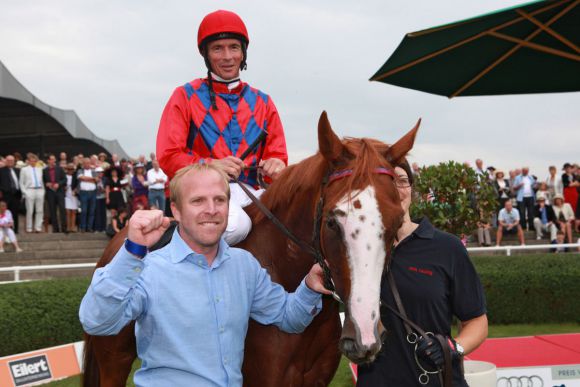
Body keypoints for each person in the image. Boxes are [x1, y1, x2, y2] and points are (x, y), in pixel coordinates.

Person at [79, 163, 330, 385]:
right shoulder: (150, 268)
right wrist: (132, 251)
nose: (211, 209)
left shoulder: (245, 266)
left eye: (219, 200)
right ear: (176, 211)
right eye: (198, 201)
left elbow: (289, 317)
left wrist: (309, 286)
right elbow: (98, 321)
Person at [156, 9, 288, 246]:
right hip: (202, 191)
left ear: (243, 52)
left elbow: (277, 155)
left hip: (252, 193)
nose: (227, 56)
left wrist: (277, 165)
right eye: (218, 48)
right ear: (206, 54)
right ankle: (176, 261)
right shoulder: (184, 96)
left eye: (234, 47)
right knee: (237, 224)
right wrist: (209, 166)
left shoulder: (264, 102)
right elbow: (169, 156)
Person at [357, 162, 487, 387]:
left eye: (402, 180)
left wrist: (452, 347)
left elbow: (477, 321)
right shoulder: (358, 250)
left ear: (412, 189)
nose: (395, 188)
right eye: (385, 181)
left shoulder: (447, 248)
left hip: (436, 379)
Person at [19, 153, 45, 233]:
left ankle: (38, 227)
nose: (33, 162)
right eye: (31, 161)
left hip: (40, 190)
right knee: (30, 210)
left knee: (40, 210)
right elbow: (21, 182)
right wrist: (24, 192)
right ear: (29, 161)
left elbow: (44, 166)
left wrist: (43, 191)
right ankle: (29, 228)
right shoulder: (24, 169)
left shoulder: (40, 169)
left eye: (35, 161)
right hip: (29, 190)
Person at [42, 154, 67, 233]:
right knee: (52, 211)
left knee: (62, 210)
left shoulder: (59, 169)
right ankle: (55, 229)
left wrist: (58, 184)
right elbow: (44, 181)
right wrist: (46, 184)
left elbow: (65, 179)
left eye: (54, 159)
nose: (54, 161)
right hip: (50, 193)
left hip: (59, 192)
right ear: (48, 161)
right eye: (52, 159)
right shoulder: (44, 170)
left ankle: (64, 228)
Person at [0, 155, 22, 234]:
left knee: (15, 213)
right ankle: (4, 230)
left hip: (16, 195)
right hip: (5, 195)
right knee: (4, 213)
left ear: (14, 162)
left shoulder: (18, 170)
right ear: (5, 161)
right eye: (8, 160)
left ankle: (15, 230)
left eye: (11, 161)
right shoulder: (1, 170)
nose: (10, 162)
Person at [76, 158, 97, 232]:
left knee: (91, 211)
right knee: (84, 211)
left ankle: (89, 227)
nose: (87, 164)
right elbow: (81, 177)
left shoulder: (93, 171)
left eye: (88, 163)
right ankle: (83, 227)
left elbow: (97, 179)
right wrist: (92, 179)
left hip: (93, 193)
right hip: (83, 193)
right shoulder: (80, 170)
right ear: (83, 164)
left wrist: (86, 179)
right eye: (85, 163)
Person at [64, 163, 78, 232]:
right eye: (69, 169)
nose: (70, 170)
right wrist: (64, 188)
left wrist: (75, 190)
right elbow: (62, 184)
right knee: (68, 212)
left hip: (74, 195)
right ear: (67, 169)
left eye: (72, 169)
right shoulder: (64, 176)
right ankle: (68, 227)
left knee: (74, 212)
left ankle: (73, 227)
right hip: (66, 195)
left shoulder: (75, 176)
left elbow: (78, 184)